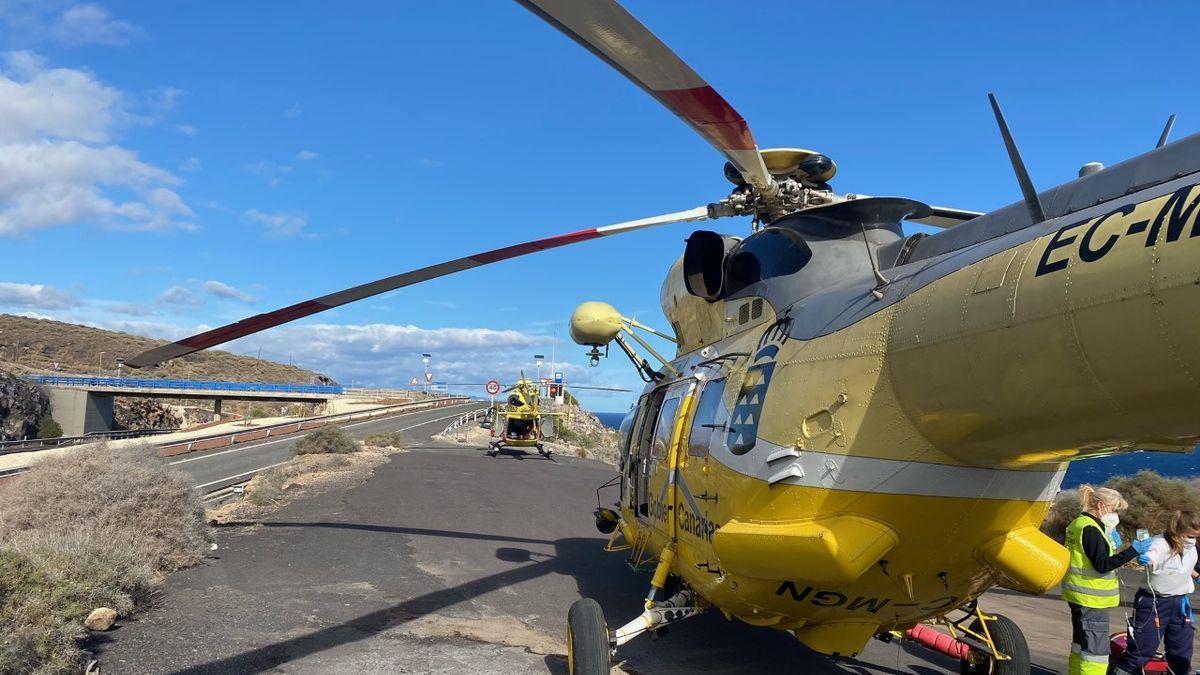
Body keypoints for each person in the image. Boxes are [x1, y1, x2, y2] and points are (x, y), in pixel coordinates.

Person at [1062, 485, 1152, 675]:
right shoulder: (1091, 529)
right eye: (1114, 510)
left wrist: (1109, 539)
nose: (1116, 515)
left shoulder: (1079, 524)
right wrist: (1132, 551)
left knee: (1081, 647)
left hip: (1079, 596)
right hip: (1091, 600)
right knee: (1096, 653)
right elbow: (1102, 564)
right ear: (1101, 505)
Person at [1114, 510, 1200, 675]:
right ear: (1178, 531)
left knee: (1181, 653)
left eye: (1195, 537)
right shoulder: (1159, 544)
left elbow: (1183, 565)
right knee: (1141, 651)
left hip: (1180, 602)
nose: (1192, 540)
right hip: (1154, 603)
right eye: (1190, 536)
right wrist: (1145, 559)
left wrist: (1196, 576)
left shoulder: (1190, 548)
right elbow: (1152, 556)